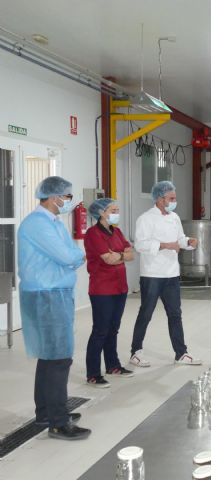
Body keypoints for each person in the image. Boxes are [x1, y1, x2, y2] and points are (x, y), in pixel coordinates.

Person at [17, 176, 91, 440]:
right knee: (59, 357)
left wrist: (74, 257)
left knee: (50, 355)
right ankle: (59, 422)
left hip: (54, 292)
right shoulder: (37, 224)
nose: (69, 201)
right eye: (66, 196)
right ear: (51, 197)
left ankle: (46, 412)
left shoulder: (54, 222)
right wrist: (75, 258)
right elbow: (68, 255)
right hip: (46, 294)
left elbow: (71, 253)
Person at [129, 181, 201, 367]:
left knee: (175, 314)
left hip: (171, 274)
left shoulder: (174, 217)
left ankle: (181, 353)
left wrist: (188, 242)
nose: (174, 201)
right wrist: (165, 245)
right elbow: (140, 245)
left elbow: (179, 239)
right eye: (171, 198)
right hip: (152, 274)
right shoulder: (145, 218)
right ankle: (135, 352)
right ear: (160, 199)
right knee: (146, 313)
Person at [84, 198, 135, 387]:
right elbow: (107, 259)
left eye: (117, 210)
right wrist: (121, 256)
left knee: (113, 328)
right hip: (102, 289)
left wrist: (119, 255)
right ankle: (93, 373)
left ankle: (113, 365)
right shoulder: (93, 233)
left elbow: (131, 254)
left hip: (120, 287)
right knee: (100, 330)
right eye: (113, 210)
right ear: (101, 213)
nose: (116, 213)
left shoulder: (117, 231)